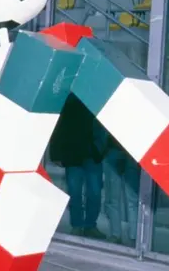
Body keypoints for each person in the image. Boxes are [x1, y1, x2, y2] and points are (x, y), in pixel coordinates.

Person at [49, 94, 107, 239]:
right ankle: (78, 225)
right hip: (73, 154)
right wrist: (55, 153)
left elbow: (103, 126)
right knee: (75, 193)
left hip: (92, 155)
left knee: (94, 192)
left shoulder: (96, 99)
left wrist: (100, 149)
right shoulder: (69, 100)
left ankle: (89, 226)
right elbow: (58, 126)